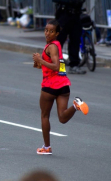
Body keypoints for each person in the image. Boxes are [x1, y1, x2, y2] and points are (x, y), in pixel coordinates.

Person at [32, 19, 89, 155]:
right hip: (63, 86)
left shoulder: (51, 47)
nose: (48, 33)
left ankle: (47, 147)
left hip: (50, 86)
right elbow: (54, 66)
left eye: (51, 31)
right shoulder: (56, 45)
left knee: (44, 116)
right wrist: (38, 63)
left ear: (57, 33)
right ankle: (76, 105)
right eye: (46, 30)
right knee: (62, 118)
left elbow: (56, 67)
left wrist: (40, 60)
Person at [53, 0, 86, 74]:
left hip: (76, 15)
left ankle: (74, 65)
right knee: (59, 40)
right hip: (64, 14)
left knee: (75, 40)